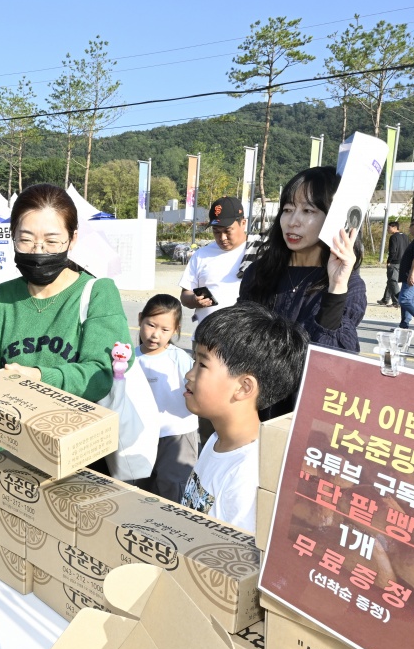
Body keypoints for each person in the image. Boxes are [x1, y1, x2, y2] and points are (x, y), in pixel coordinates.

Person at [0, 183, 128, 407]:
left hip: (76, 436)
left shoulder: (99, 293)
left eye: (52, 241)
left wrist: (38, 378)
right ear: (12, 236)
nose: (38, 251)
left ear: (72, 239)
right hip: (10, 434)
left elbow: (99, 375)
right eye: (26, 240)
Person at [237, 166, 364, 419]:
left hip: (304, 418)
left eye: (308, 210)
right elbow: (238, 343)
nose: (292, 221)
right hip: (248, 411)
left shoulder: (349, 286)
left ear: (334, 219)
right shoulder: (259, 274)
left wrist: (336, 288)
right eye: (287, 209)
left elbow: (332, 368)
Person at [181, 303, 308, 533]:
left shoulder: (248, 476)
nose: (189, 374)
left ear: (243, 387)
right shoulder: (217, 441)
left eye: (202, 364)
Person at [126, 295, 200, 502]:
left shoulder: (180, 359)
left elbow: (199, 389)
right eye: (151, 325)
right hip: (139, 435)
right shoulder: (129, 358)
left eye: (165, 330)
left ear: (175, 330)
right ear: (140, 318)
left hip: (177, 435)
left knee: (174, 487)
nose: (155, 335)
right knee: (138, 488)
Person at [178, 197, 251, 324]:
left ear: (243, 223)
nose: (222, 237)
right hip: (205, 338)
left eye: (228, 231)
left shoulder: (259, 251)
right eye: (216, 231)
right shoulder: (201, 254)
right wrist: (195, 300)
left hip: (244, 338)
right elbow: (185, 295)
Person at [379, 219, 406, 306]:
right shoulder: (405, 236)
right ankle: (385, 299)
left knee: (393, 281)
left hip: (394, 262)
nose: (387, 229)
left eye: (389, 227)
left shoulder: (393, 237)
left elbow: (392, 250)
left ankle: (397, 301)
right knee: (391, 281)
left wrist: (389, 260)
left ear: (394, 227)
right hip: (403, 262)